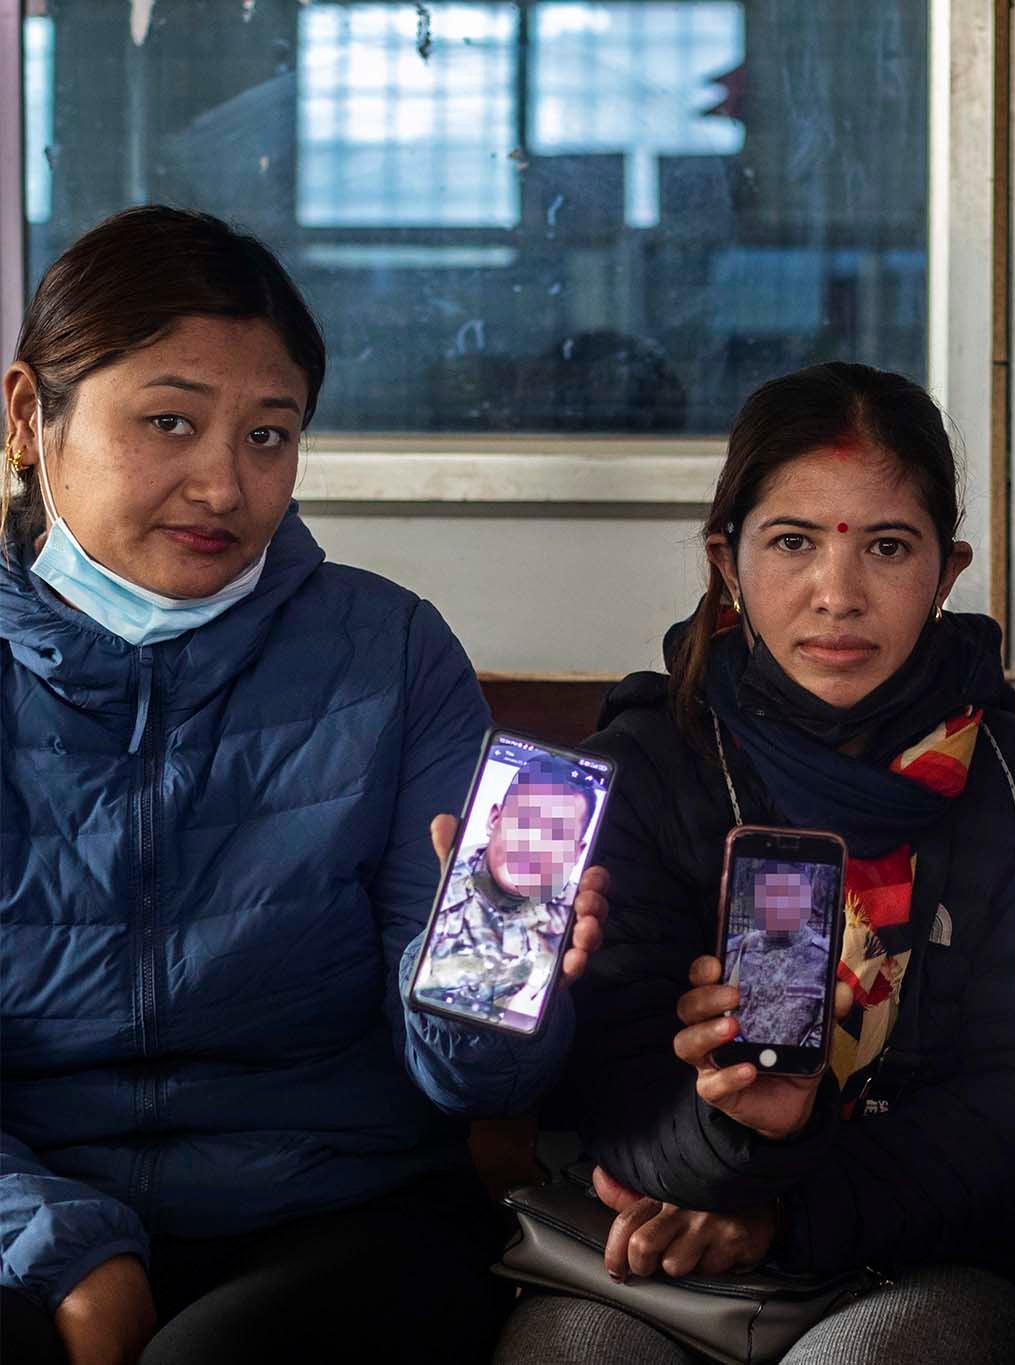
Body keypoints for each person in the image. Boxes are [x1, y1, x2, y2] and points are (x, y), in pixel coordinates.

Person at [0, 206, 608, 1365]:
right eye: (169, 422)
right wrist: (71, 1256)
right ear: (32, 416)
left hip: (337, 1217)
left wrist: (487, 990)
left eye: (269, 437)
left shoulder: (389, 653)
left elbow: (474, 1086)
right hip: (29, 1206)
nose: (223, 485)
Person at [492, 362, 1015, 1364]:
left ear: (946, 573)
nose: (837, 594)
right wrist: (739, 1137)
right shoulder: (638, 768)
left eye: (887, 548)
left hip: (924, 1260)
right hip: (652, 1255)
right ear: (727, 563)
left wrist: (789, 1211)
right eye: (792, 543)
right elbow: (609, 1091)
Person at [417, 752, 603, 1020]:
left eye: (557, 835)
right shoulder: (439, 875)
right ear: (494, 819)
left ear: (576, 852)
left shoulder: (579, 913)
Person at [724, 865, 833, 1048]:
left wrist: (801, 1062)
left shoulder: (823, 956)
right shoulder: (735, 952)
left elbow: (824, 1023)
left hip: (797, 1068)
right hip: (737, 1063)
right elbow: (720, 1012)